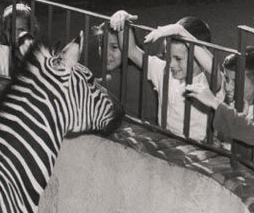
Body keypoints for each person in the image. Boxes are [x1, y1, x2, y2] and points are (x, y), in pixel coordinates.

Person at [108, 10, 214, 141]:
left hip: (197, 147)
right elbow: (131, 51)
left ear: (198, 57)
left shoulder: (209, 81)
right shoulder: (163, 70)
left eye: (178, 58)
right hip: (165, 139)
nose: (171, 64)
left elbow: (214, 67)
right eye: (167, 56)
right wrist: (122, 22)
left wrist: (181, 31)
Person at [90, 22, 157, 124]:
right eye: (102, 45)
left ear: (128, 48)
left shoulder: (122, 77)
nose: (106, 53)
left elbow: (87, 86)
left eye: (114, 47)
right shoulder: (140, 68)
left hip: (143, 132)